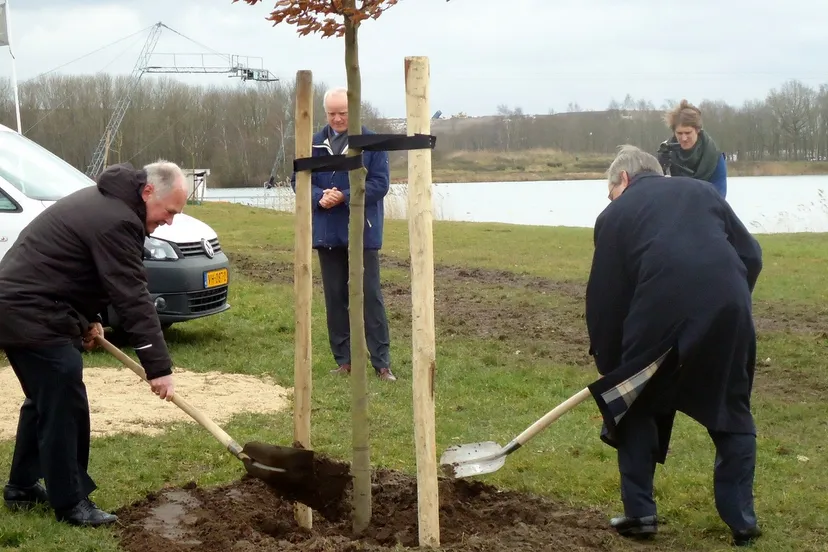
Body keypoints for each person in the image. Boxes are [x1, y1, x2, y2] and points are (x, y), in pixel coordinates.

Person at [585, 145, 763, 547]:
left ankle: (640, 515)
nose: (609, 199)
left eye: (609, 191)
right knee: (730, 405)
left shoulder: (614, 215)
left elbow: (606, 297)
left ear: (624, 180)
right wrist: (731, 302)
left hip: (660, 310)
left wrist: (612, 366)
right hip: (730, 308)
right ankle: (743, 520)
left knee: (633, 405)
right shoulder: (703, 192)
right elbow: (751, 254)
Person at [0, 161, 185, 527]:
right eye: (169, 211)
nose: (170, 221)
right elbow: (132, 295)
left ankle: (21, 486)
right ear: (148, 192)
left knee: (47, 398)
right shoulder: (117, 219)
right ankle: (71, 503)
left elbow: (79, 270)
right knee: (64, 398)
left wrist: (88, 319)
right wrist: (158, 368)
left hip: (24, 304)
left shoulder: (108, 204)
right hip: (30, 311)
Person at [291, 87, 396, 382]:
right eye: (331, 113)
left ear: (354, 110)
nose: (337, 119)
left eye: (343, 113)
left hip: (362, 233)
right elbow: (297, 179)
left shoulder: (372, 144)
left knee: (370, 297)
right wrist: (317, 196)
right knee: (335, 298)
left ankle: (382, 363)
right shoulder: (312, 143)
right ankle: (344, 360)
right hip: (327, 233)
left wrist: (345, 196)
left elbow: (380, 185)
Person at [657, 99, 728, 197]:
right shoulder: (666, 153)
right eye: (679, 133)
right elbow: (657, 194)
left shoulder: (714, 157)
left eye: (688, 133)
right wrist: (660, 170)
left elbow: (719, 196)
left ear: (698, 130)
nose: (684, 138)